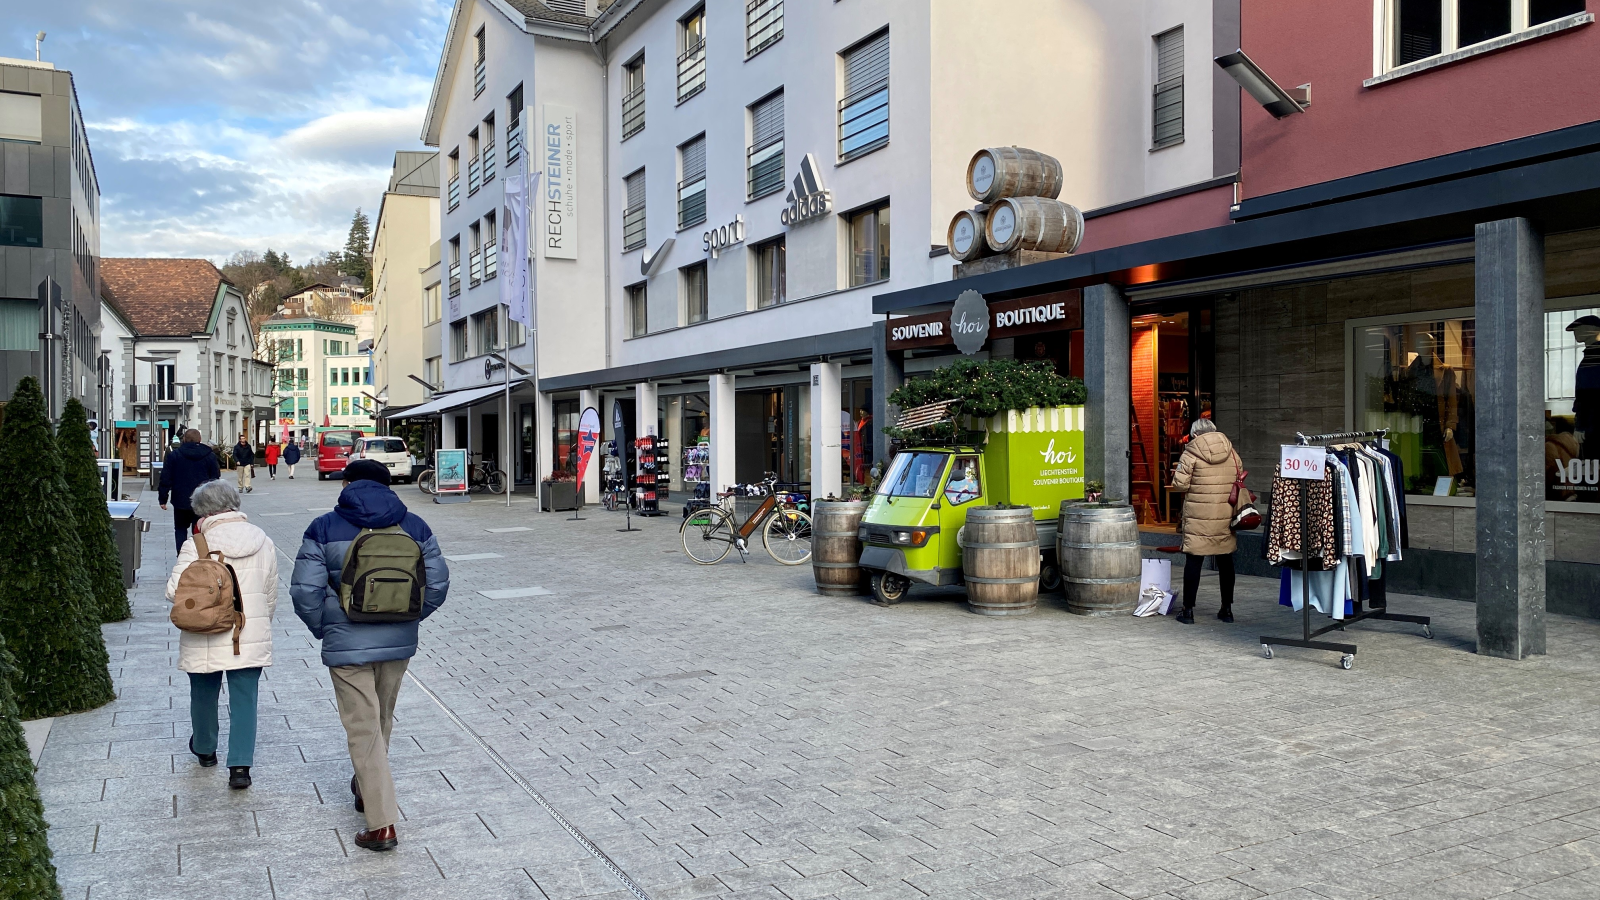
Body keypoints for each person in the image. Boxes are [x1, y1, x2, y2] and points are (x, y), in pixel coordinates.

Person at [291, 460, 449, 852]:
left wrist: (326, 627)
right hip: (398, 644)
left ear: (345, 483)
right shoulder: (415, 526)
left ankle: (381, 825)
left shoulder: (324, 527)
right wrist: (407, 618)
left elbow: (304, 593)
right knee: (380, 718)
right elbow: (438, 585)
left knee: (363, 726)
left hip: (347, 644)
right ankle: (366, 787)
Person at [165, 480, 277, 790]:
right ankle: (240, 766)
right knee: (245, 699)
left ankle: (204, 749)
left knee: (203, 693)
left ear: (201, 511)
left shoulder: (196, 545)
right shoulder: (263, 540)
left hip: (204, 630)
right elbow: (270, 592)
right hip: (247, 631)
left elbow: (174, 591)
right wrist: (259, 622)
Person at [1168, 418, 1240, 625]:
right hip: (1225, 514)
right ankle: (1226, 609)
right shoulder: (1231, 452)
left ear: (1195, 435)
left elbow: (1180, 485)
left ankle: (1188, 611)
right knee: (1226, 561)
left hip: (1199, 516)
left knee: (1194, 560)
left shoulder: (1190, 454)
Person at [159, 429, 222, 551]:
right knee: (199, 529)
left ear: (184, 440)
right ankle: (199, 554)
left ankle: (182, 554)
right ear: (200, 440)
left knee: (180, 529)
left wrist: (163, 498)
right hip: (203, 500)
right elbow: (215, 478)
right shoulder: (209, 455)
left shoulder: (175, 455)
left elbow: (166, 477)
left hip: (180, 499)